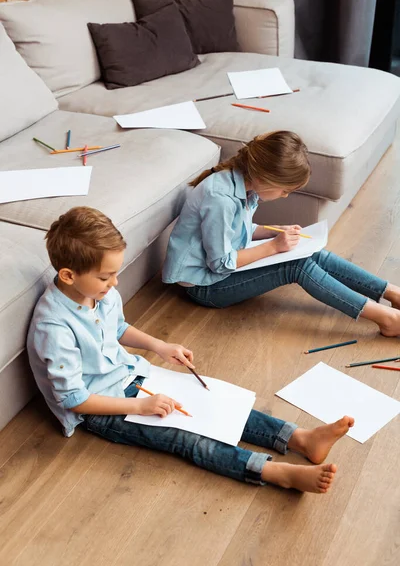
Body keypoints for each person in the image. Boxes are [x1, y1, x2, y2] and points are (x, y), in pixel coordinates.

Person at [27, 206, 353, 493]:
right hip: (100, 410)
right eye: (105, 276)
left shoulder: (100, 292)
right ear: (68, 275)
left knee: (214, 400)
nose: (114, 283)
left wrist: (160, 346)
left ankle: (299, 438)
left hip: (134, 375)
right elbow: (73, 399)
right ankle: (274, 472)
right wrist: (141, 408)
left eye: (115, 273)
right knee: (184, 436)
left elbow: (117, 329)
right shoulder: (52, 327)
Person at [163, 131, 400, 336]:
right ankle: (387, 319)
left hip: (220, 271)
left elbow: (237, 234)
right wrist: (273, 246)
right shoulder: (220, 200)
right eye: (285, 190)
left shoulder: (242, 185)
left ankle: (391, 292)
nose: (286, 196)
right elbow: (221, 263)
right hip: (205, 287)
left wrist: (275, 232)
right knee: (294, 266)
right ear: (264, 178)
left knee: (311, 251)